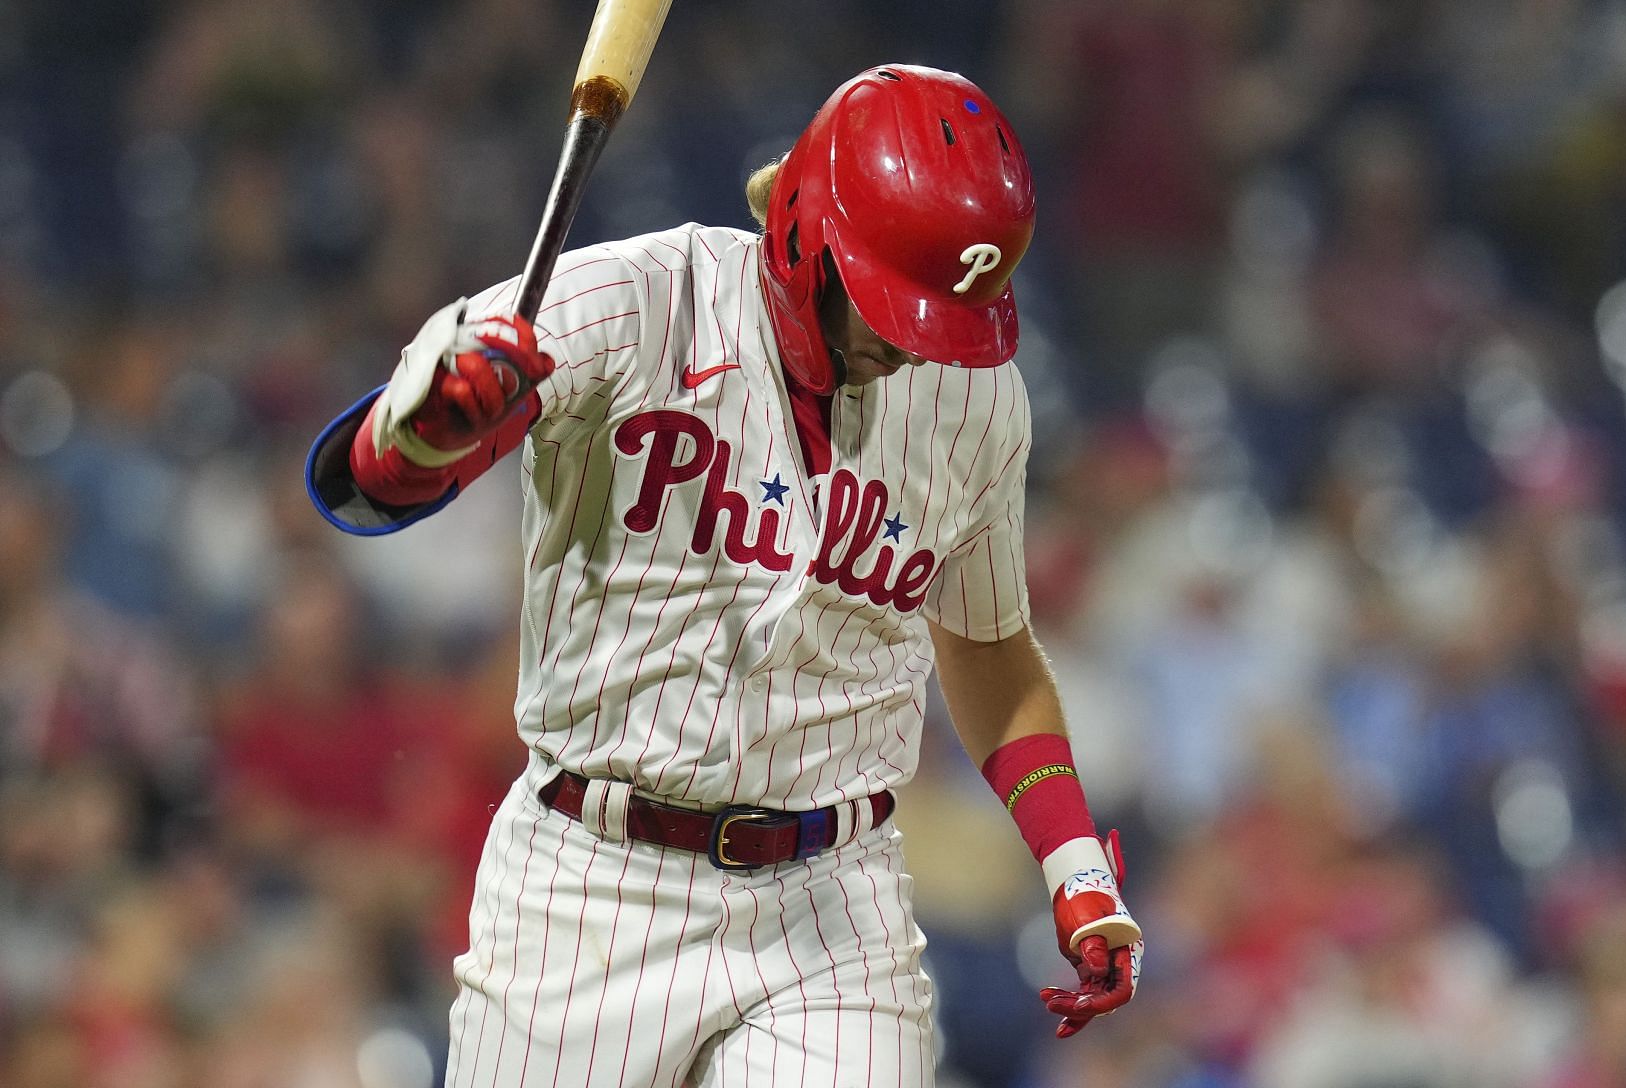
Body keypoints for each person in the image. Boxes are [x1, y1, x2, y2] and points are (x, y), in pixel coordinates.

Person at [306, 65, 1141, 1086]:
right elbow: (361, 486)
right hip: (593, 888)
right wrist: (428, 432)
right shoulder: (637, 300)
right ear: (805, 228)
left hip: (834, 900)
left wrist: (1073, 863)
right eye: (895, 302)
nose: (916, 340)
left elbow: (987, 648)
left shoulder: (976, 400)